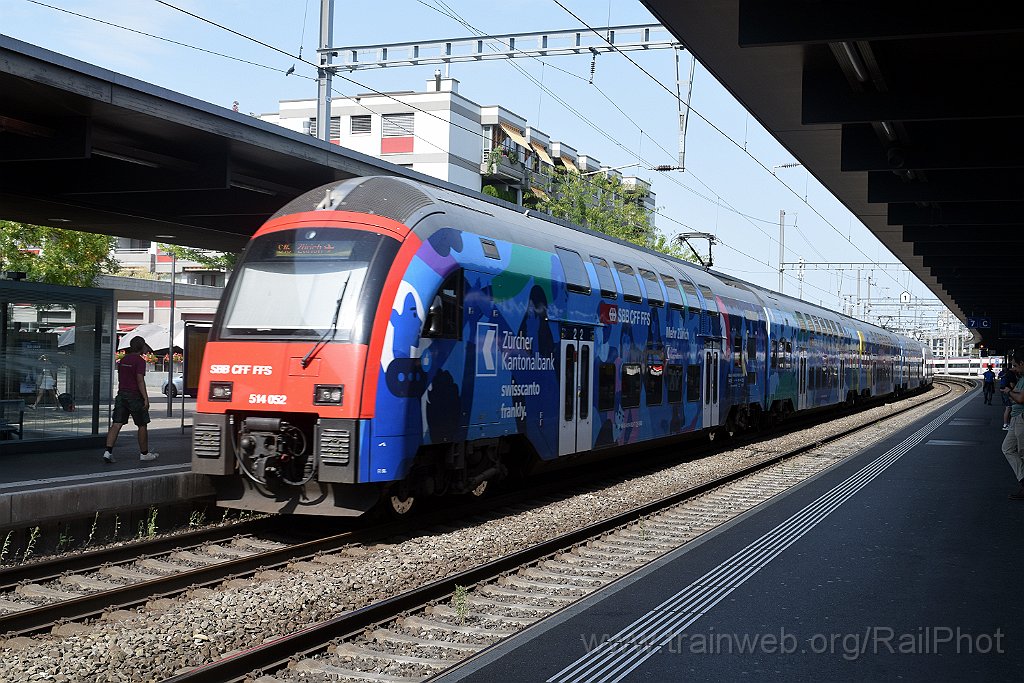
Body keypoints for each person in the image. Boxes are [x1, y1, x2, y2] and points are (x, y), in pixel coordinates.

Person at [103, 336, 158, 463]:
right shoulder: (139, 361)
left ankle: (108, 451)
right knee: (142, 424)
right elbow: (140, 380)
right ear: (141, 347)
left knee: (117, 423)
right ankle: (144, 453)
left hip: (122, 394)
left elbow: (120, 377)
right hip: (135, 396)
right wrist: (145, 398)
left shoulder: (123, 360)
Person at [1000, 355, 1024, 500]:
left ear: (1022, 363)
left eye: (1015, 365)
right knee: (1007, 448)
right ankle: (1023, 481)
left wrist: (1009, 392)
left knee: (1022, 453)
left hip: (1022, 418)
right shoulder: (1021, 378)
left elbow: (1021, 399)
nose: (1014, 369)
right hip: (1016, 418)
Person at [998, 360, 1019, 430]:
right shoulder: (1011, 374)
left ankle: (1007, 424)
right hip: (1007, 392)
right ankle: (1005, 424)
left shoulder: (1006, 373)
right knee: (1008, 408)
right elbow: (1012, 385)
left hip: (1003, 391)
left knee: (1008, 407)